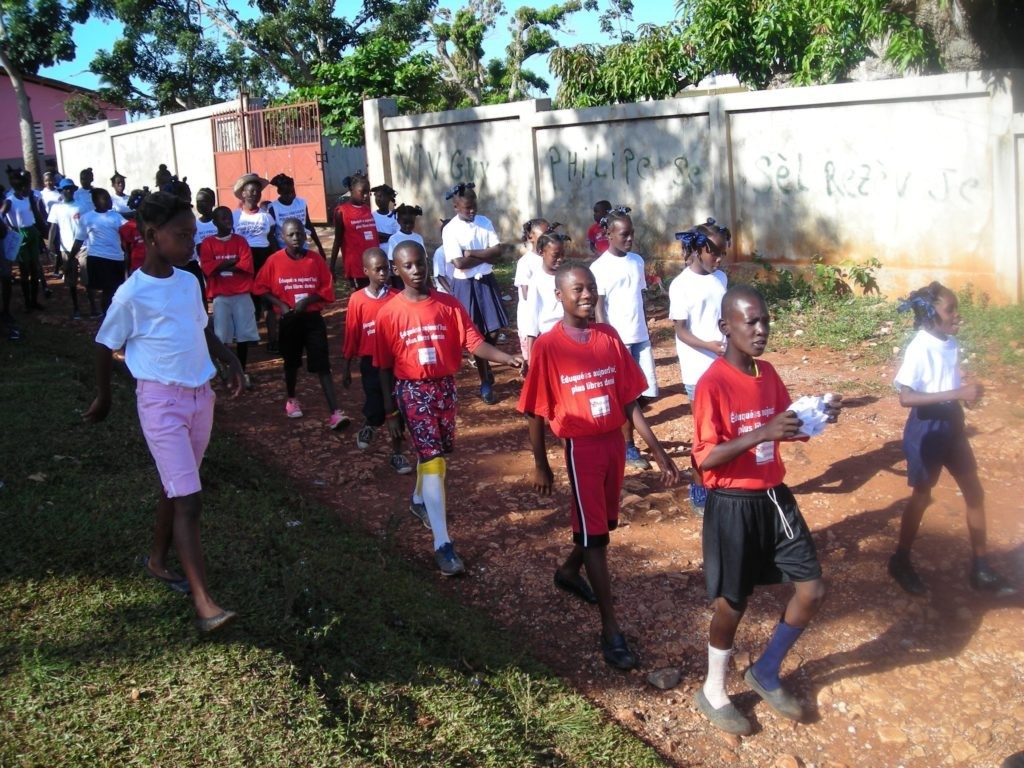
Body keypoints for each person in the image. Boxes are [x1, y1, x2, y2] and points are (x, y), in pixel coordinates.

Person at [85, 190, 244, 634]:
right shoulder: (131, 294)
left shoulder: (189, 281)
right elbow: (104, 344)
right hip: (161, 404)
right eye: (183, 235)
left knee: (177, 486)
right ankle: (205, 604)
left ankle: (157, 560)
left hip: (200, 400)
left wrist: (228, 359)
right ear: (153, 236)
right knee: (189, 499)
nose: (193, 242)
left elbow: (200, 327)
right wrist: (104, 397)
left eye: (193, 233)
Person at [692, 284, 838, 736]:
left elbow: (785, 426)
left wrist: (818, 415)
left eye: (765, 321)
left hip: (774, 497)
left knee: (811, 590)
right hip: (733, 504)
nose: (761, 329)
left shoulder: (768, 373)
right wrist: (761, 433)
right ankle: (714, 690)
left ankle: (766, 670)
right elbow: (705, 458)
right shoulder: (713, 383)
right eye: (750, 321)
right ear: (726, 327)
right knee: (732, 604)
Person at [518, 261, 678, 669]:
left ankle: (569, 572)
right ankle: (611, 629)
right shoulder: (548, 347)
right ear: (559, 296)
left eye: (591, 287)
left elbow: (629, 400)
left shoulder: (609, 337)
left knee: (602, 525)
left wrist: (657, 451)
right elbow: (535, 411)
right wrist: (540, 464)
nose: (587, 294)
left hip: (613, 444)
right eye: (578, 289)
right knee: (596, 540)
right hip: (582, 448)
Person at [374, 240, 523, 575]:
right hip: (413, 390)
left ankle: (418, 500)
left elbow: (475, 342)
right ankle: (443, 544)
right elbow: (382, 367)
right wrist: (390, 412)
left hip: (445, 389)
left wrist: (507, 358)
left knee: (435, 453)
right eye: (407, 266)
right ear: (396, 270)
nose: (416, 270)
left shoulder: (448, 305)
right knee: (432, 458)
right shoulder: (389, 314)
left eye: (420, 263)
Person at [889, 282, 1016, 596]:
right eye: (950, 310)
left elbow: (949, 379)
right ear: (930, 315)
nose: (958, 314)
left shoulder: (949, 341)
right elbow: (906, 397)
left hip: (952, 426)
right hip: (927, 429)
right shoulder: (919, 347)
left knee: (975, 492)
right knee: (922, 497)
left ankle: (981, 567)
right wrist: (957, 392)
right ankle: (900, 560)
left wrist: (965, 395)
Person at [253, 217, 351, 429]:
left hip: (312, 319)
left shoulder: (315, 260)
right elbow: (260, 287)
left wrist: (308, 300)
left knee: (322, 364)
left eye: (299, 233)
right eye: (291, 234)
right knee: (291, 363)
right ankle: (291, 399)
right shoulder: (274, 261)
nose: (296, 238)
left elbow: (327, 289)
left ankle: (335, 412)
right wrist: (281, 304)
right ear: (282, 237)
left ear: (305, 235)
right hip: (289, 319)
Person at [669, 218, 731, 515]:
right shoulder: (681, 285)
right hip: (697, 370)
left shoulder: (721, 279)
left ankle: (723, 480)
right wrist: (709, 346)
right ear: (697, 250)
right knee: (704, 432)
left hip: (724, 366)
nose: (718, 259)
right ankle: (698, 486)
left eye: (722, 254)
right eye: (713, 253)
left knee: (725, 427)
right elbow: (681, 331)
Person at [591, 206, 658, 469]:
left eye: (632, 234)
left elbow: (639, 297)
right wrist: (608, 341)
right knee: (624, 395)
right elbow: (599, 309)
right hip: (619, 340)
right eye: (624, 234)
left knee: (645, 392)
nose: (629, 239)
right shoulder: (600, 267)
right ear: (608, 234)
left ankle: (623, 436)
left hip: (640, 336)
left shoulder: (637, 261)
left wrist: (646, 329)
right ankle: (628, 446)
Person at [342, 248, 412, 475]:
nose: (383, 273)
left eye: (386, 268)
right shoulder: (357, 300)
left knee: (397, 406)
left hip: (396, 363)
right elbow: (352, 333)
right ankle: (370, 423)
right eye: (378, 269)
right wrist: (346, 365)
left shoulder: (398, 297)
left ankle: (397, 453)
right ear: (366, 271)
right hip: (370, 363)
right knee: (376, 401)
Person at [441, 182, 509, 405]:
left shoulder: (484, 222)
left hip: (486, 280)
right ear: (456, 207)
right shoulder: (450, 229)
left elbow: (498, 252)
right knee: (475, 333)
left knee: (494, 330)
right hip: (465, 285)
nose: (472, 211)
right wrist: (485, 255)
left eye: (474, 207)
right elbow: (459, 263)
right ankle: (485, 380)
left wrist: (471, 252)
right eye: (467, 208)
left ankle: (485, 362)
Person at [200, 206, 259, 386]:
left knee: (243, 335)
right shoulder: (208, 243)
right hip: (221, 296)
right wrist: (230, 262)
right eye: (223, 218)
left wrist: (219, 266)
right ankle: (227, 371)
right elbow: (207, 268)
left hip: (242, 293)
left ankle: (242, 370)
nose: (227, 221)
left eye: (229, 217)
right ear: (215, 222)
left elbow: (246, 265)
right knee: (221, 336)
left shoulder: (241, 241)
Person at [232, 174, 278, 348]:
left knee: (267, 299)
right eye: (250, 191)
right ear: (243, 194)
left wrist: (276, 261)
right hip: (243, 261)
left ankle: (273, 340)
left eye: (257, 191)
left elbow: (272, 240)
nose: (254, 194)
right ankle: (250, 336)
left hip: (263, 258)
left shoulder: (266, 217)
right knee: (246, 299)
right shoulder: (235, 217)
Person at [68, 188, 127, 315]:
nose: (109, 201)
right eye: (105, 199)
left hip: (117, 258)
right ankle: (106, 316)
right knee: (108, 289)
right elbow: (79, 240)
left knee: (116, 289)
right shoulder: (87, 218)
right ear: (95, 201)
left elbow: (128, 229)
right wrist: (71, 258)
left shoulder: (116, 216)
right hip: (98, 258)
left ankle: (111, 315)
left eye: (109, 198)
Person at [47, 178, 95, 319]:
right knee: (71, 280)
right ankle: (76, 308)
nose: (68, 191)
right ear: (61, 191)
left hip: (83, 246)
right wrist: (50, 246)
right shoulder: (56, 208)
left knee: (87, 278)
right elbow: (53, 228)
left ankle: (93, 307)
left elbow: (89, 225)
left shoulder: (81, 206)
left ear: (74, 190)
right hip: (66, 249)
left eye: (70, 189)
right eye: (65, 189)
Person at [2, 168, 48, 312]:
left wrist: (42, 229)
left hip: (32, 231)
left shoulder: (28, 198)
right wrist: (8, 227)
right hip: (19, 234)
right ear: (21, 187)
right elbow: (1, 215)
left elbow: (35, 213)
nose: (29, 189)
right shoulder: (10, 201)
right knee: (24, 270)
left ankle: (34, 301)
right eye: (27, 186)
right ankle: (27, 302)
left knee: (35, 268)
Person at [519, 231, 569, 364]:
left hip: (570, 335)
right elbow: (532, 320)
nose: (560, 259)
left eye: (562, 255)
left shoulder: (567, 277)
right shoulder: (536, 281)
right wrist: (530, 358)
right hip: (550, 339)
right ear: (542, 252)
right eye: (555, 255)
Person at [330, 173, 377, 286]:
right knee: (361, 294)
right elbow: (337, 241)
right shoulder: (342, 212)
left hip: (373, 264)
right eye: (362, 192)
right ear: (351, 189)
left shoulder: (367, 209)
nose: (366, 196)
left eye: (368, 192)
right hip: (357, 267)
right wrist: (332, 266)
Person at [267, 173, 327, 260]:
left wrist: (320, 247)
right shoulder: (273, 208)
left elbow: (309, 225)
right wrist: (278, 254)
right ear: (279, 192)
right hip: (284, 250)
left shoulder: (301, 203)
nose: (290, 195)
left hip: (302, 248)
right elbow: (271, 235)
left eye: (292, 191)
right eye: (286, 193)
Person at [513, 218, 549, 361]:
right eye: (543, 235)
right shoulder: (525, 262)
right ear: (530, 237)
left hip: (547, 318)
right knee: (533, 358)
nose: (547, 238)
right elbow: (526, 294)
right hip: (530, 320)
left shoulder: (550, 259)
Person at [383, 203, 424, 289]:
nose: (408, 225)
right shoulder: (394, 238)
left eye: (411, 223)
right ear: (398, 221)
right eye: (405, 223)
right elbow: (391, 260)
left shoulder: (418, 238)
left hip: (416, 274)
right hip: (400, 277)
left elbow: (424, 258)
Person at [119, 190, 148, 276]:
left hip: (155, 269)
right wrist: (127, 274)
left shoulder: (156, 224)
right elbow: (126, 253)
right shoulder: (128, 227)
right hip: (137, 270)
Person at [432, 218, 454, 294]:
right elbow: (440, 276)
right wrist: (452, 293)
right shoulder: (440, 252)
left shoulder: (460, 249)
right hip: (446, 292)